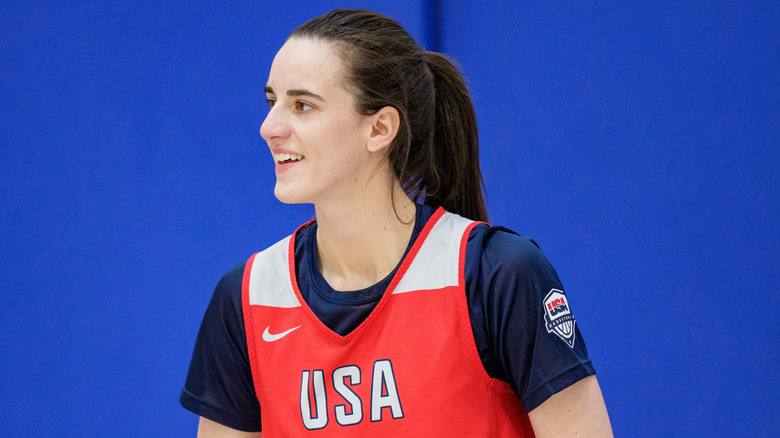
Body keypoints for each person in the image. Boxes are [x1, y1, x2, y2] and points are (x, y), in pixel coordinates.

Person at [181, 8, 612, 437]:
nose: (269, 127)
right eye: (273, 101)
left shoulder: (499, 275)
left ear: (380, 128)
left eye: (302, 105)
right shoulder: (246, 300)